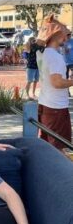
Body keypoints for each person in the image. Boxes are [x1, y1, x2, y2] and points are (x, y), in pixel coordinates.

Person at [36, 14, 73, 151]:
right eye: (65, 34)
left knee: (47, 147)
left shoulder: (44, 53)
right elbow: (57, 83)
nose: (66, 38)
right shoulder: (55, 57)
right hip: (56, 107)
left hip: (46, 104)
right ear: (57, 35)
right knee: (58, 148)